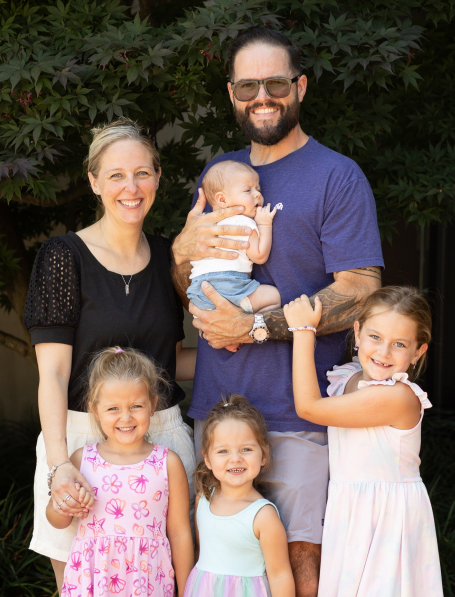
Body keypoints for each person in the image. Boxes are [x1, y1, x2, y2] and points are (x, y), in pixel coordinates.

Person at [171, 27, 384, 596]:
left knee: (299, 564)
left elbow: (360, 289)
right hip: (216, 413)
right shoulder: (219, 176)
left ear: (300, 87)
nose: (261, 96)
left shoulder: (337, 176)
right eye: (248, 86)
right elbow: (188, 276)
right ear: (231, 93)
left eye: (275, 83)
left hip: (299, 414)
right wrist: (179, 251)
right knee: (219, 565)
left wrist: (257, 325)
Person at [23, 117, 197, 593]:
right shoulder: (63, 257)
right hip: (80, 439)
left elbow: (170, 361)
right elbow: (54, 375)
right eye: (116, 175)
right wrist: (62, 465)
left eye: (143, 172)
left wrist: (256, 346)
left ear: (158, 177)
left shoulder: (168, 258)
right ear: (94, 181)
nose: (131, 187)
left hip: (161, 438)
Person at [283, 287, 444, 597]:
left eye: (399, 344)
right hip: (351, 512)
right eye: (375, 337)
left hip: (385, 519)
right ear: (357, 332)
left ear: (418, 352)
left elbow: (309, 408)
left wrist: (303, 331)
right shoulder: (349, 377)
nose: (383, 353)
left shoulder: (398, 397)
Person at [47, 347, 194, 597]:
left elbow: (180, 533)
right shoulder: (82, 460)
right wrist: (65, 504)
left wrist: (186, 590)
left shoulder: (167, 463)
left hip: (148, 580)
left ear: (153, 405)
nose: (125, 417)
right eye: (113, 408)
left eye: (136, 405)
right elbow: (57, 521)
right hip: (92, 579)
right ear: (95, 409)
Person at [183, 395, 294, 597]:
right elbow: (201, 552)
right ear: (207, 458)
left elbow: (280, 575)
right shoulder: (203, 500)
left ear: (264, 455)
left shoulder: (263, 516)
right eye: (223, 451)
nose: (235, 459)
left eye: (246, 449)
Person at [187, 160, 281, 317]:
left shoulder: (202, 224)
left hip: (199, 293)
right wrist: (265, 225)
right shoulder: (243, 222)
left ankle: (231, 341)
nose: (257, 194)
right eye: (247, 190)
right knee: (274, 297)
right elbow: (259, 256)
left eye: (258, 189)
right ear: (222, 200)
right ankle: (247, 323)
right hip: (231, 288)